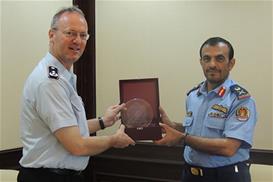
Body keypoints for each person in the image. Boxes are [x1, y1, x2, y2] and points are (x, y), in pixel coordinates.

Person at [17, 6, 135, 182]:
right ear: (51, 35)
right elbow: (77, 145)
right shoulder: (49, 82)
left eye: (83, 35)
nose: (78, 41)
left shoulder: (62, 77)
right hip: (47, 177)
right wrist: (113, 140)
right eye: (70, 33)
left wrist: (103, 122)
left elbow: (67, 128)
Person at [155, 37, 257, 182]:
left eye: (219, 58)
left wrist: (182, 138)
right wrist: (173, 127)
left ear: (231, 63)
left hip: (225, 176)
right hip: (190, 174)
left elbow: (228, 148)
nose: (212, 64)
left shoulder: (240, 100)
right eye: (207, 59)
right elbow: (195, 132)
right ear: (201, 62)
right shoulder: (193, 96)